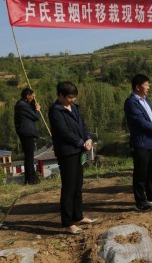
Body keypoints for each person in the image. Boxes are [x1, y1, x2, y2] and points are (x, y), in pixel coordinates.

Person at [48, 81, 95, 235]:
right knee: (68, 187)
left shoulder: (73, 108)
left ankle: (78, 215)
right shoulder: (56, 111)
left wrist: (87, 138)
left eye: (74, 97)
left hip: (79, 151)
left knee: (78, 185)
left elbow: (83, 125)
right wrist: (82, 143)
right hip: (67, 152)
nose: (72, 100)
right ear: (60, 95)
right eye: (69, 97)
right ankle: (68, 222)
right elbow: (64, 132)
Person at [124, 74, 152, 212]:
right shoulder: (131, 103)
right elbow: (140, 122)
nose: (148, 87)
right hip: (141, 142)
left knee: (151, 170)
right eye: (146, 84)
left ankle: (151, 195)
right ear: (138, 87)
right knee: (140, 173)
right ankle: (140, 201)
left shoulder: (145, 100)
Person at [14, 88, 41, 185]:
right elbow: (35, 116)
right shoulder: (22, 106)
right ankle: (31, 179)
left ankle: (29, 178)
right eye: (32, 96)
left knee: (29, 156)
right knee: (29, 157)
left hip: (25, 132)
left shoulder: (23, 104)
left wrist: (34, 101)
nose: (33, 97)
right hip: (26, 133)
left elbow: (31, 107)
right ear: (27, 96)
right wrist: (37, 110)